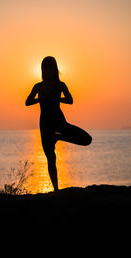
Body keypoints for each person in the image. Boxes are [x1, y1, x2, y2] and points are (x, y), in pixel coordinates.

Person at [25, 56, 92, 192]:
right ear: (43, 70)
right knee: (51, 158)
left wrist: (57, 98)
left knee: (87, 139)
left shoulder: (60, 85)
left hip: (60, 122)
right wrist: (40, 99)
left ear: (54, 69)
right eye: (45, 68)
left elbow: (70, 100)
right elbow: (27, 102)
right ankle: (56, 190)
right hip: (45, 126)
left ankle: (59, 137)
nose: (48, 70)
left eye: (50, 67)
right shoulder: (38, 87)